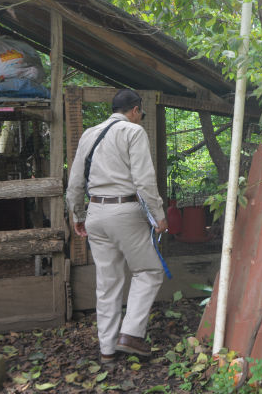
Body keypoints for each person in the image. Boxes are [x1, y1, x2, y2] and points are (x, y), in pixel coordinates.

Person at [66, 89, 168, 363]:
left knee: (107, 282)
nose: (141, 119)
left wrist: (77, 214)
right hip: (125, 211)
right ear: (135, 110)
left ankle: (107, 351)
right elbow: (144, 181)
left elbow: (75, 181)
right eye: (141, 114)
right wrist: (158, 216)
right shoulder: (133, 132)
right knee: (149, 271)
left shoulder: (89, 134)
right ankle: (131, 335)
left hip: (95, 213)